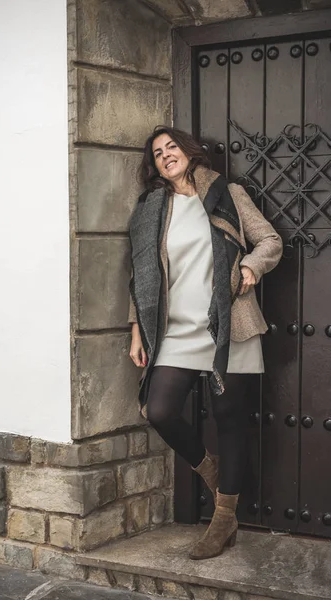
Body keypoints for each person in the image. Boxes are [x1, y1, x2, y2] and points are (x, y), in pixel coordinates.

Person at [128, 126, 283, 560]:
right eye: (157, 153)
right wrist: (137, 329)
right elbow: (141, 277)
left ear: (189, 151)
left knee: (229, 418)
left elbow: (270, 240)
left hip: (229, 324)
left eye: (171, 147)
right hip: (174, 328)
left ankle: (223, 521)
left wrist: (251, 266)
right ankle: (210, 470)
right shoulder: (152, 209)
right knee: (157, 408)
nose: (165, 156)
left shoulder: (227, 194)